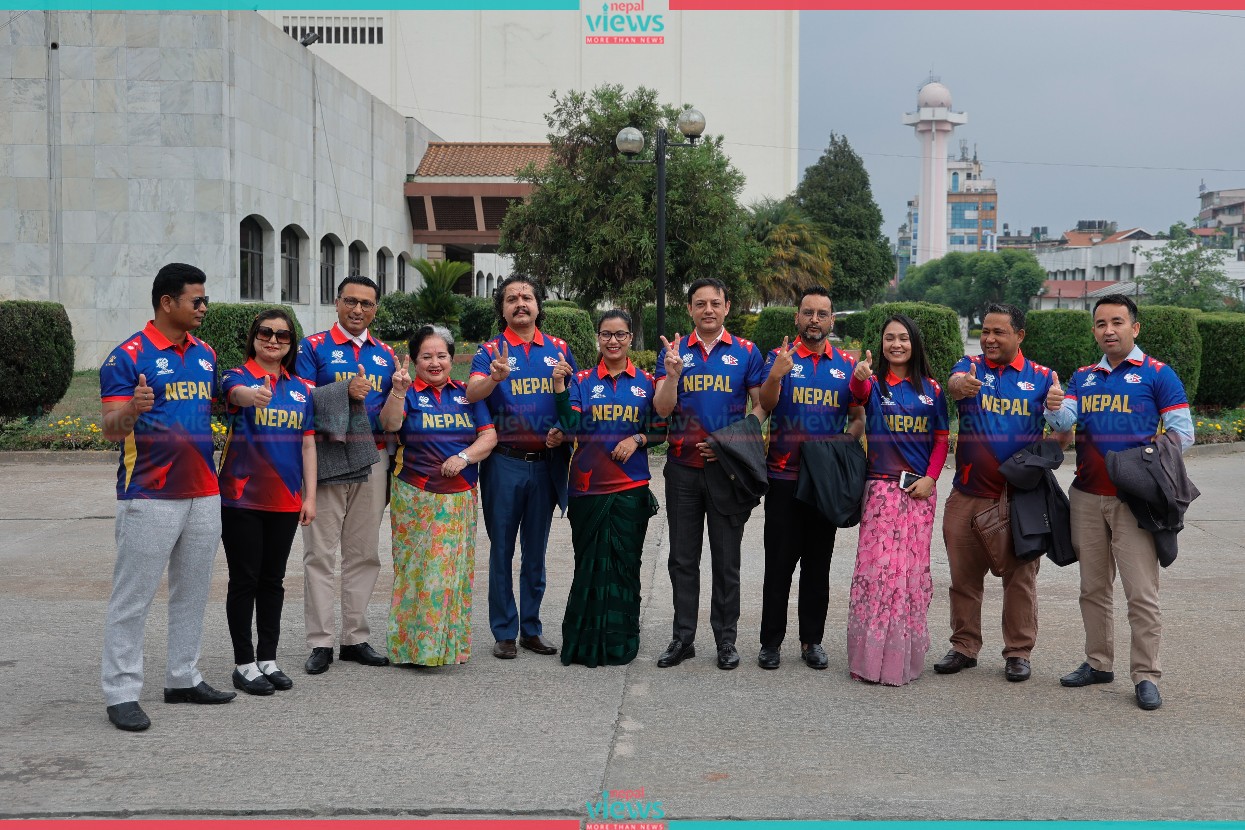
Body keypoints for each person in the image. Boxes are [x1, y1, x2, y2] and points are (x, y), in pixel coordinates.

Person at [99, 262, 236, 732]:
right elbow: (109, 429)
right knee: (132, 598)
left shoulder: (205, 353)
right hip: (150, 494)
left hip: (204, 491)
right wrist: (131, 411)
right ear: (166, 303)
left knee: (193, 591)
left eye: (205, 300)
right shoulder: (127, 358)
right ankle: (121, 692)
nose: (203, 308)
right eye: (196, 301)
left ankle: (183, 677)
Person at [1044, 294, 1194, 710]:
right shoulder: (1083, 377)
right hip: (1087, 496)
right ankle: (1098, 663)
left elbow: (1183, 434)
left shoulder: (1158, 375)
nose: (1108, 330)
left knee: (1141, 593)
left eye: (1117, 322)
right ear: (1093, 330)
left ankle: (1146, 675)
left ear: (1135, 327)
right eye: (1100, 324)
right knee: (1092, 588)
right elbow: (1063, 422)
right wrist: (1054, 406)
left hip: (1134, 501)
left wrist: (1144, 464)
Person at [937, 302, 1057, 683]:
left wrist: (1058, 411)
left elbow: (1062, 437)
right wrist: (961, 385)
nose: (988, 338)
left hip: (1019, 498)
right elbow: (954, 384)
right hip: (968, 492)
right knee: (963, 577)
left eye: (998, 332)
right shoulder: (968, 365)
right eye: (985, 330)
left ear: (1019, 336)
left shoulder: (1042, 377)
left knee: (1020, 579)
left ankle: (1018, 652)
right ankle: (964, 647)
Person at [653, 278, 766, 670]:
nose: (708, 310)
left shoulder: (747, 353)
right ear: (689, 309)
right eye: (700, 304)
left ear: (727, 307)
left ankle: (726, 640)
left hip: (726, 472)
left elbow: (760, 409)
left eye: (715, 303)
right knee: (682, 559)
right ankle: (683, 638)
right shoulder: (673, 352)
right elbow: (663, 411)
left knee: (726, 559)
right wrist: (671, 376)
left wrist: (728, 443)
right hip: (682, 470)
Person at [755, 286, 864, 671]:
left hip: (823, 482)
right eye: (808, 312)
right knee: (779, 565)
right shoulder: (778, 358)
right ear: (797, 318)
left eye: (822, 313)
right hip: (783, 477)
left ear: (832, 320)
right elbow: (764, 406)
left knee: (818, 566)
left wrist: (837, 449)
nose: (814, 319)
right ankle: (770, 643)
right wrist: (776, 376)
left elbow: (858, 418)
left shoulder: (847, 366)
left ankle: (811, 641)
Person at [467, 276, 577, 659]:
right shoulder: (489, 350)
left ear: (537, 305)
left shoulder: (559, 350)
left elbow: (573, 402)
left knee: (536, 551)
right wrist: (494, 378)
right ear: (502, 308)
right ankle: (503, 631)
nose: (520, 304)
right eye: (511, 298)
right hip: (504, 463)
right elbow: (471, 392)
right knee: (501, 550)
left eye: (527, 297)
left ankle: (531, 628)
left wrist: (563, 431)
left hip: (546, 465)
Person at [378, 326, 497, 665]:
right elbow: (389, 425)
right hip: (415, 493)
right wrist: (398, 392)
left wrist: (463, 458)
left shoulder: (467, 394)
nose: (435, 363)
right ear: (414, 360)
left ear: (450, 358)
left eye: (441, 356)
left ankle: (447, 647)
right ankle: (411, 649)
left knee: (452, 573)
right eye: (426, 357)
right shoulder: (406, 391)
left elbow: (488, 438)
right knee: (415, 569)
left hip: (459, 496)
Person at [553, 310, 666, 667]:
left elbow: (664, 429)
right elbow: (570, 425)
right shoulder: (582, 381)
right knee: (587, 565)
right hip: (587, 489)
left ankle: (620, 642)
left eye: (620, 334)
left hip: (631, 489)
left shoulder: (647, 382)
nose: (612, 341)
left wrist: (638, 437)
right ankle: (583, 642)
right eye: (606, 334)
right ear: (598, 338)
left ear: (630, 338)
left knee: (626, 565)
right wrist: (558, 388)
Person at [296, 275, 395, 674]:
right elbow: (299, 398)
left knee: (364, 553)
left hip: (373, 457)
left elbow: (393, 408)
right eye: (350, 301)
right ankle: (320, 642)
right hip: (326, 456)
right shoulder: (313, 347)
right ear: (336, 303)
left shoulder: (386, 354)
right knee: (319, 553)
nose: (358, 310)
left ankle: (355, 637)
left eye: (366, 304)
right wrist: (343, 393)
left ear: (375, 309)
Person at [845, 314, 949, 685]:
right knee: (878, 576)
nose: (897, 344)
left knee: (907, 577)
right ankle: (869, 660)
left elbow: (940, 439)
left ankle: (902, 659)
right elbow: (856, 397)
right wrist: (859, 376)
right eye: (890, 338)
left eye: (903, 338)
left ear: (914, 343)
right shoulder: (873, 386)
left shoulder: (932, 390)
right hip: (880, 492)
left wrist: (931, 479)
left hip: (918, 495)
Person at [218, 310, 317, 695]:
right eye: (265, 333)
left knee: (272, 581)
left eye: (283, 335)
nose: (273, 340)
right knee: (244, 580)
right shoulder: (236, 375)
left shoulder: (301, 389)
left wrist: (310, 496)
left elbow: (308, 443)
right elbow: (235, 395)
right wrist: (253, 395)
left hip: (287, 501)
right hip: (242, 499)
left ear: (291, 344)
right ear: (254, 337)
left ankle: (268, 658)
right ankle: (243, 664)